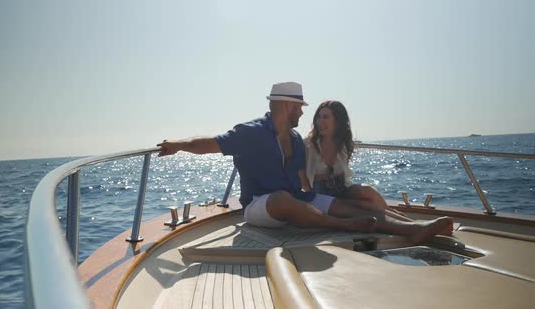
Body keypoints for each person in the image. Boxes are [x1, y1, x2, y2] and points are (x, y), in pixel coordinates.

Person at [157, 82, 453, 244]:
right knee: (285, 198)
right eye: (299, 107)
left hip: (295, 198)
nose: (302, 112)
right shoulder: (250, 132)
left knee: (353, 204)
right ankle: (343, 227)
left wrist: (324, 199)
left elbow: (303, 181)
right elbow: (210, 143)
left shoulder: (297, 139)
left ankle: (413, 229)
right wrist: (177, 145)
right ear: (288, 106)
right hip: (260, 205)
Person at [301, 100, 413, 221]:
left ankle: (407, 220)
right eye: (318, 117)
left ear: (338, 121)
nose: (320, 121)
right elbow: (303, 181)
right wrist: (314, 200)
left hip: (342, 188)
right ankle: (410, 223)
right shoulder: (308, 145)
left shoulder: (343, 145)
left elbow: (344, 179)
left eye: (325, 117)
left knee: (368, 191)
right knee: (366, 206)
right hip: (321, 193)